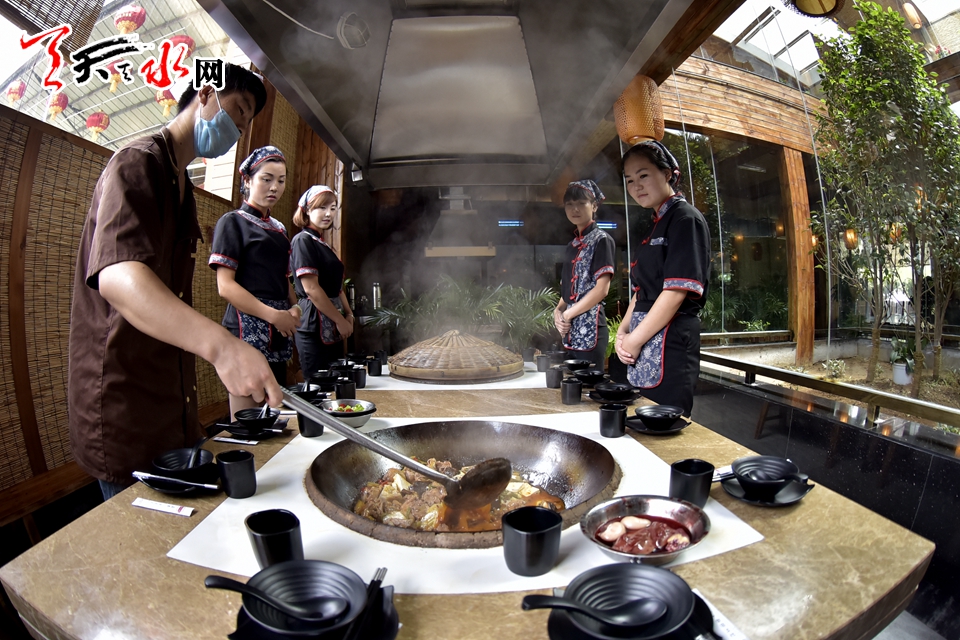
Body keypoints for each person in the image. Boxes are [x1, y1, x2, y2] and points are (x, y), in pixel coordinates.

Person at [69, 63, 282, 501]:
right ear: (205, 93)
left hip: (168, 393)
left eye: (245, 123)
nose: (239, 128)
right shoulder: (138, 161)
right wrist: (223, 347)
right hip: (123, 391)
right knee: (138, 528)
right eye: (239, 110)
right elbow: (117, 276)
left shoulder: (179, 181)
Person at [615, 140, 711, 416]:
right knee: (637, 420)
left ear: (668, 174)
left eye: (643, 175)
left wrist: (633, 340)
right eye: (630, 180)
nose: (636, 186)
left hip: (671, 340)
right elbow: (641, 291)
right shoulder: (655, 225)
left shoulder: (685, 219)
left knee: (664, 424)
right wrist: (623, 332)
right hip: (642, 339)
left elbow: (675, 292)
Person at [209, 146, 300, 419]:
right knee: (249, 419)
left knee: (277, 414)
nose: (274, 187)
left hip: (279, 329)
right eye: (266, 179)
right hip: (245, 326)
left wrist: (295, 307)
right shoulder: (232, 222)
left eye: (281, 181)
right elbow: (225, 286)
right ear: (247, 181)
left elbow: (283, 277)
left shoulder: (280, 229)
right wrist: (274, 315)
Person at [290, 186, 355, 379]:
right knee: (318, 383)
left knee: (335, 381)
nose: (328, 213)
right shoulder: (302, 240)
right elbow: (311, 288)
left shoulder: (322, 244)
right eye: (322, 207)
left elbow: (337, 287)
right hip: (313, 324)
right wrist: (340, 320)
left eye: (333, 208)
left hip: (333, 323)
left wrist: (349, 314)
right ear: (307, 210)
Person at [553, 179, 615, 370]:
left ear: (594, 206)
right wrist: (557, 312)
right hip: (570, 331)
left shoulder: (602, 240)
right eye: (570, 204)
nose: (575, 209)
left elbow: (602, 290)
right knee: (570, 382)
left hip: (591, 329)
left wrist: (568, 313)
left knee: (589, 383)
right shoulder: (571, 246)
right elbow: (568, 289)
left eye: (581, 203)